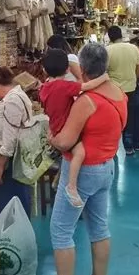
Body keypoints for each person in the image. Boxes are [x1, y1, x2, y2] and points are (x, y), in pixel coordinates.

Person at [35, 43, 125, 275]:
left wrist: (51, 138)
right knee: (99, 227)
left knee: (61, 230)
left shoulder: (86, 101)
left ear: (83, 69)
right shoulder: (118, 93)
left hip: (82, 170)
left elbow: (66, 139)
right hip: (106, 167)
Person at [40, 49, 109, 207]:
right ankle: (71, 186)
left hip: (54, 125)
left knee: (67, 154)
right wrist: (104, 78)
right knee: (79, 153)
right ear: (67, 69)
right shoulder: (65, 86)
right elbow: (87, 86)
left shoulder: (44, 87)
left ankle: (60, 178)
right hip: (64, 127)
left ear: (44, 70)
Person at [0, 67, 34, 217]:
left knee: (7, 204)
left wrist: (0, 166)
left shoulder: (12, 101)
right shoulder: (18, 95)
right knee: (17, 201)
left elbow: (10, 138)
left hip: (9, 163)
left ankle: (9, 238)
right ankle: (15, 237)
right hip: (18, 158)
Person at [105, 25, 139, 155]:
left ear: (109, 36)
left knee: (113, 119)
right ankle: (129, 146)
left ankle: (113, 148)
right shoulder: (133, 48)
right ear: (121, 35)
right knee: (130, 118)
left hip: (114, 90)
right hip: (131, 88)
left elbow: (104, 71)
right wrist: (134, 79)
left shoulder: (108, 50)